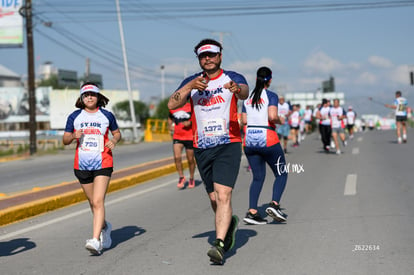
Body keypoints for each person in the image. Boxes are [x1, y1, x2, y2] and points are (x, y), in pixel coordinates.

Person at [167, 38, 249, 264]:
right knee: (214, 198)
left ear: (220, 55)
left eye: (212, 54)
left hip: (228, 143)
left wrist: (235, 89)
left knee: (224, 194)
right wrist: (189, 87)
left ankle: (220, 245)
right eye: (203, 56)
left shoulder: (233, 77)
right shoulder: (191, 82)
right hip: (202, 146)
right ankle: (229, 223)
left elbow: (243, 92)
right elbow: (172, 105)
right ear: (199, 59)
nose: (208, 59)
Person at [63, 82, 121, 255]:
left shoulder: (107, 115)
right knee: (92, 203)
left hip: (103, 162)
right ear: (81, 98)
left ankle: (95, 240)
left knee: (97, 202)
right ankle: (105, 227)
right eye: (86, 95)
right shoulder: (75, 116)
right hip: (82, 164)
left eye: (93, 95)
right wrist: (74, 136)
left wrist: (114, 140)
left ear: (98, 97)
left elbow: (117, 133)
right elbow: (65, 140)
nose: (89, 97)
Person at [241, 66, 288, 225]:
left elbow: (244, 121)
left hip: (250, 140)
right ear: (270, 80)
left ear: (256, 79)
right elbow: (272, 116)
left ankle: (252, 212)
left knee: (258, 177)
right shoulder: (271, 96)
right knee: (282, 173)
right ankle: (274, 204)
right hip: (267, 138)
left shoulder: (247, 99)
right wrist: (281, 120)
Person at [168, 102, 196, 189]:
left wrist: (190, 122)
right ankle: (181, 177)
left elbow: (196, 117)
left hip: (189, 137)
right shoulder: (173, 107)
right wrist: (169, 125)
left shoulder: (190, 106)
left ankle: (191, 177)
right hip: (177, 136)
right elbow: (170, 118)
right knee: (177, 157)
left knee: (190, 159)